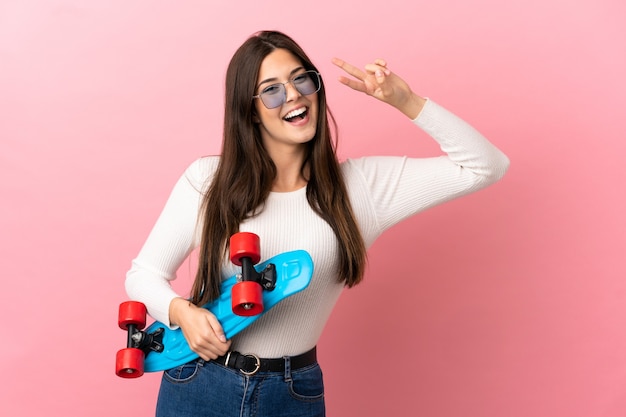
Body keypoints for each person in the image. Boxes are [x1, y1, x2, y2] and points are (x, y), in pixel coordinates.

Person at [125, 30, 509, 417]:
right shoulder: (209, 180)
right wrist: (181, 314)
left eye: (300, 78)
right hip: (200, 383)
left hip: (292, 392)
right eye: (271, 90)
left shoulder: (361, 189)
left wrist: (407, 102)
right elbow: (143, 274)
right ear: (250, 111)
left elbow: (486, 167)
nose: (292, 94)